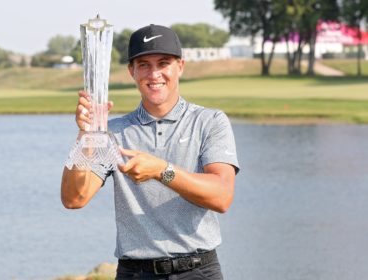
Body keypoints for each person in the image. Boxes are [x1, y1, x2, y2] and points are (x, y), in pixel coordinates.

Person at [61, 24, 239, 279]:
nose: (154, 73)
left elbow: (221, 196)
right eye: (144, 65)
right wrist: (86, 136)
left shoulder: (209, 121)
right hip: (136, 272)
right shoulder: (112, 133)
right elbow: (73, 198)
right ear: (132, 71)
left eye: (163, 63)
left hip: (198, 270)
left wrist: (161, 171)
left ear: (180, 67)